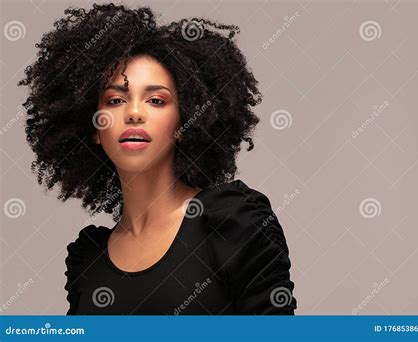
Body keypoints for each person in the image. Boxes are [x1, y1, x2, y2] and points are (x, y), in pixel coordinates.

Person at [19, 3, 297, 315]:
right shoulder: (89, 260)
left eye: (156, 100)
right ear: (94, 127)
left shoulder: (234, 222)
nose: (134, 112)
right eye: (115, 100)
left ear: (182, 123)